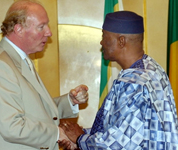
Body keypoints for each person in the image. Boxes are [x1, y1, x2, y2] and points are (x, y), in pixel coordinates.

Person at [59, 11, 178, 150]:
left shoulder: (135, 82)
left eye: (104, 36)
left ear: (121, 41)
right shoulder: (151, 69)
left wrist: (80, 138)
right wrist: (81, 137)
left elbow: (119, 144)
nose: (101, 42)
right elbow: (122, 129)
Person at [0, 0, 89, 150]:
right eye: (41, 27)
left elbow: (36, 110)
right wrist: (58, 133)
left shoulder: (19, 59)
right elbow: (12, 126)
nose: (49, 32)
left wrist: (70, 101)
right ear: (19, 29)